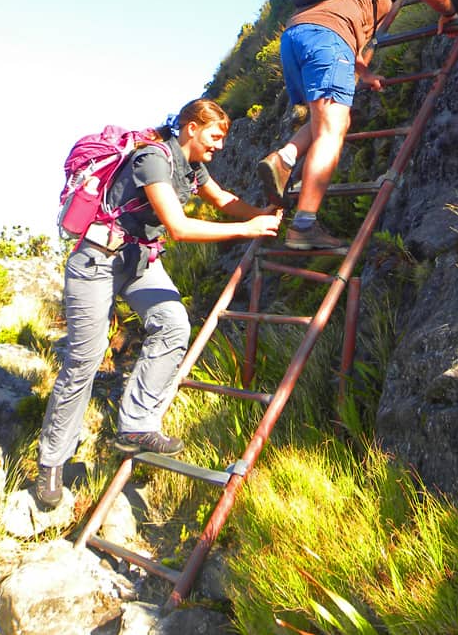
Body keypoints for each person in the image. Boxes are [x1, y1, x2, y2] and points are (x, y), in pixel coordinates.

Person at [36, 98, 282, 509]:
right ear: (190, 128)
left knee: (173, 324)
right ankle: (52, 461)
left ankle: (134, 425)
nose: (220, 146)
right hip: (98, 260)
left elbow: (221, 199)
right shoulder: (153, 158)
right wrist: (247, 229)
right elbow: (179, 227)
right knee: (85, 358)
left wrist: (263, 216)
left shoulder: (191, 167)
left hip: (138, 261)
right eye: (215, 136)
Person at [258, 0, 458, 250]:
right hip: (326, 37)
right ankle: (304, 225)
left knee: (322, 119)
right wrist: (449, 15)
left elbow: (352, 30)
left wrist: (362, 73)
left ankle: (285, 156)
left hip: (297, 37)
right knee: (334, 127)